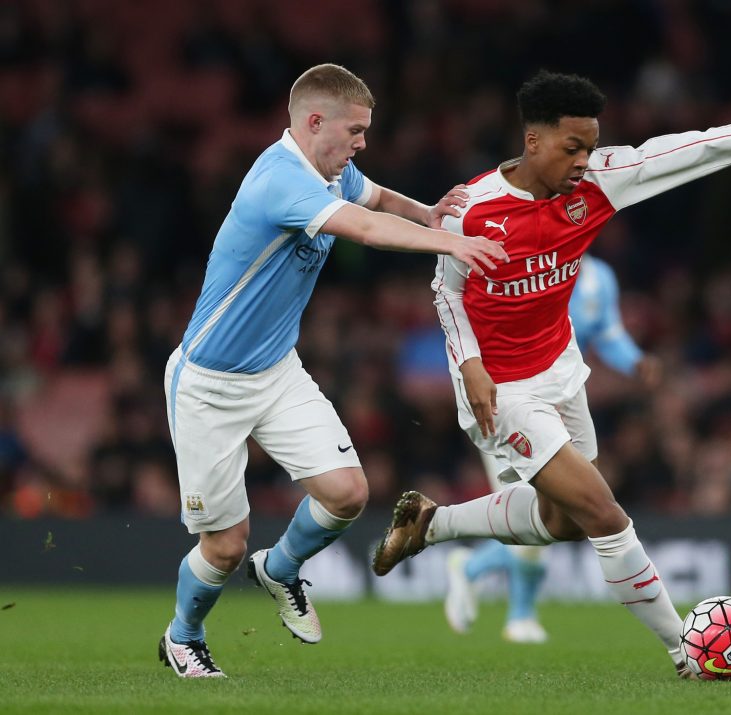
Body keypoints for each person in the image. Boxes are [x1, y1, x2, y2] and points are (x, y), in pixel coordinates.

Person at [372, 70, 731, 679]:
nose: (585, 160)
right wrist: (469, 364)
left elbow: (706, 145)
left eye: (591, 146)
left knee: (562, 521)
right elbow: (446, 291)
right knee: (604, 513)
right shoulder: (471, 209)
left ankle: (432, 523)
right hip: (500, 387)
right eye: (572, 148)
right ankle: (684, 652)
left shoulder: (603, 179)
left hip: (560, 369)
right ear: (533, 141)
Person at [158, 63, 507, 678]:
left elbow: (374, 199)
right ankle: (183, 636)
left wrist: (428, 213)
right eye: (356, 130)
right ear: (314, 122)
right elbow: (367, 229)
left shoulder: (332, 170)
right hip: (210, 385)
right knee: (225, 543)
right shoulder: (279, 181)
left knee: (347, 493)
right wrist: (450, 243)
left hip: (275, 369)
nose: (362, 143)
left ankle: (283, 567)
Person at [445, 253, 661, 643]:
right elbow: (457, 300)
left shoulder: (599, 277)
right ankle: (519, 615)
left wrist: (635, 361)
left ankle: (472, 568)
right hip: (509, 404)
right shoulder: (523, 260)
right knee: (542, 510)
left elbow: (608, 334)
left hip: (562, 404)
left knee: (561, 516)